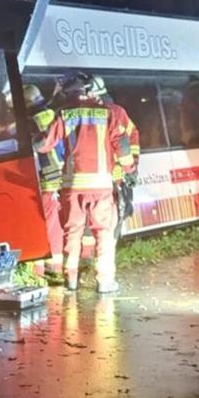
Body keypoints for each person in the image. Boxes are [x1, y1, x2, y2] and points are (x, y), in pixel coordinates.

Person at [37, 72, 130, 292]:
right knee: (103, 233)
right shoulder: (108, 114)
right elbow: (123, 147)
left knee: (73, 232)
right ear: (89, 91)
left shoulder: (65, 114)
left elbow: (43, 145)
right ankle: (105, 282)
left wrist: (30, 138)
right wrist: (128, 169)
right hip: (101, 186)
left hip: (73, 186)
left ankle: (71, 279)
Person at [90, 75, 140, 239]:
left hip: (109, 177)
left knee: (110, 219)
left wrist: (130, 168)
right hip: (108, 177)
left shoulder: (112, 113)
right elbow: (132, 137)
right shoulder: (116, 111)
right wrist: (132, 168)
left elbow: (128, 140)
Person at [24, 84, 65, 274]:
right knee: (54, 223)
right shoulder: (52, 115)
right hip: (60, 175)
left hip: (43, 179)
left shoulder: (29, 121)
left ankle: (37, 270)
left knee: (41, 224)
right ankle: (56, 266)